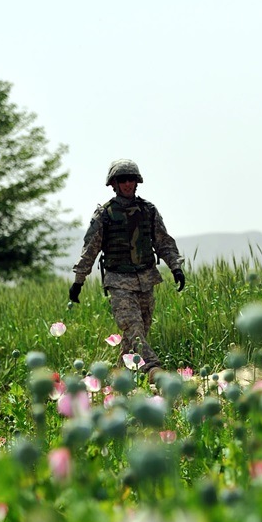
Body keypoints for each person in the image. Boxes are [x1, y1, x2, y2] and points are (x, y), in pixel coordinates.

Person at [70, 159, 185, 379]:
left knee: (137, 334)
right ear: (114, 183)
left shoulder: (148, 210)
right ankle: (154, 369)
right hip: (119, 282)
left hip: (146, 279)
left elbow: (163, 242)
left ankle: (119, 377)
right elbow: (90, 250)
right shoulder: (104, 214)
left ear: (137, 181)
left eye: (131, 179)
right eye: (122, 179)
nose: (127, 184)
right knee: (135, 331)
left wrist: (175, 267)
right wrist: (78, 281)